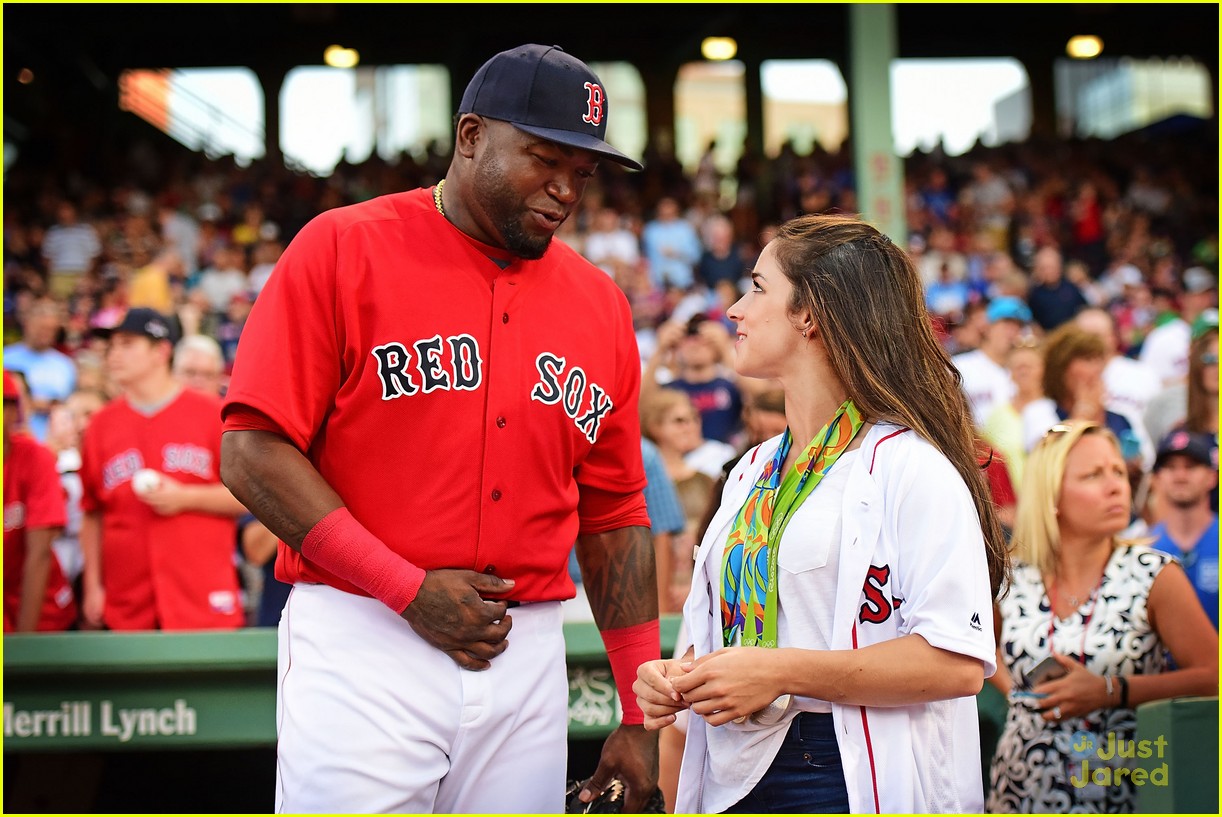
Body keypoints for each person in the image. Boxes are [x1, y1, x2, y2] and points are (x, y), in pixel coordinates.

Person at [218, 44, 661, 814]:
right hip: (365, 629)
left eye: (581, 173)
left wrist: (637, 715)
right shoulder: (342, 246)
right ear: (469, 137)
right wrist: (405, 587)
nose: (564, 189)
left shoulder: (601, 304)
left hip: (526, 649)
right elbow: (251, 451)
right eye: (544, 158)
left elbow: (616, 515)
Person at [635, 213, 1009, 813]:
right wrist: (678, 679)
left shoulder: (911, 467)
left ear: (810, 315)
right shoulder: (753, 469)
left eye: (757, 287)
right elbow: (735, 637)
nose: (734, 309)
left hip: (841, 772)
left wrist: (780, 672)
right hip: (733, 770)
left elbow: (959, 662)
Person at [986, 420, 1218, 813]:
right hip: (1020, 788)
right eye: (1094, 475)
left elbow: (1213, 674)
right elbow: (979, 650)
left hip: (1121, 787)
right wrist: (1015, 691)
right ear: (1052, 494)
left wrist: (1111, 691)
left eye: (1118, 472)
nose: (1116, 486)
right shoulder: (1010, 575)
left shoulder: (1155, 573)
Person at [79, 308, 248, 630]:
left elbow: (250, 498)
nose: (114, 354)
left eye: (127, 344)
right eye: (111, 346)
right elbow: (91, 512)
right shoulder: (100, 425)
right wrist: (92, 586)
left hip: (201, 598)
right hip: (128, 603)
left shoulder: (213, 414)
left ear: (161, 351)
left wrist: (186, 498)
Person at [3, 370, 78, 632]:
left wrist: (25, 642)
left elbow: (40, 553)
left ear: (13, 412)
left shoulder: (35, 457)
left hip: (40, 608)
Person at [1146, 429, 1218, 629]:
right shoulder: (1142, 547)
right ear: (1157, 478)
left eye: (1191, 466)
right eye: (1170, 467)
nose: (1180, 475)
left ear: (1212, 477)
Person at [4, 297, 78, 442]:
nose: (45, 334)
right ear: (27, 324)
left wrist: (53, 405)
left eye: (50, 330)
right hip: (11, 442)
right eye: (41, 328)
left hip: (52, 443)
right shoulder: (5, 358)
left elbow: (72, 405)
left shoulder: (65, 365)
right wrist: (28, 403)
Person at [952, 295, 1033, 428]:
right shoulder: (960, 366)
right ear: (988, 326)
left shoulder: (1023, 372)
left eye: (1018, 326)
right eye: (1006, 324)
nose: (1012, 332)